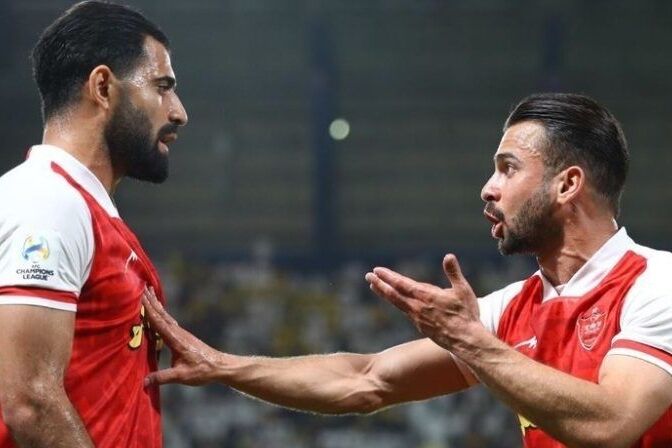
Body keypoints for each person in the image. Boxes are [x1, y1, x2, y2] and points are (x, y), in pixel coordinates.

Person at [142, 93, 672, 447]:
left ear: (567, 185)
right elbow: (366, 379)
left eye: (507, 169)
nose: (488, 188)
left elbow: (612, 423)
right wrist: (223, 366)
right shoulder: (512, 309)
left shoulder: (656, 283)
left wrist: (471, 343)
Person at [0, 1, 187, 447]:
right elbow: (30, 400)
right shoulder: (47, 201)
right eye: (162, 87)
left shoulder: (80, 207)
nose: (178, 111)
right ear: (102, 87)